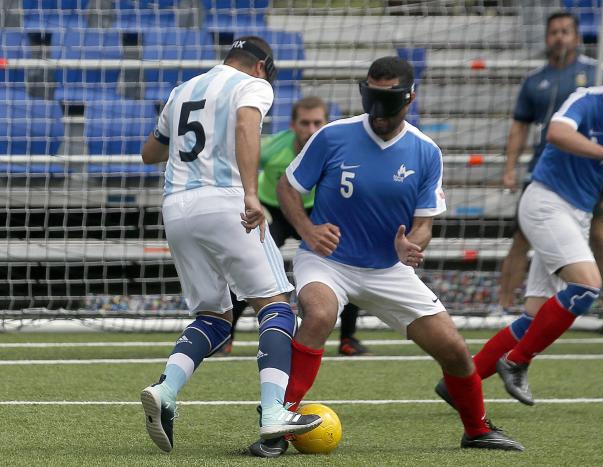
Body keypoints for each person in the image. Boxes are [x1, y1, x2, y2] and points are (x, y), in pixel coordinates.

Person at [249, 56, 524, 458]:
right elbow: (287, 187)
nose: (378, 112)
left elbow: (425, 224)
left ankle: (477, 429)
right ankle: (277, 424)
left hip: (387, 268)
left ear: (410, 97)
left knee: (454, 349)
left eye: (388, 100)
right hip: (327, 261)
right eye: (371, 98)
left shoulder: (426, 152)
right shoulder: (331, 136)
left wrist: (412, 245)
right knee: (321, 314)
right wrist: (308, 230)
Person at [138, 36, 322, 453]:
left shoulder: (181, 91)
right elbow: (244, 124)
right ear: (261, 67)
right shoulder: (253, 85)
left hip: (176, 208)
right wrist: (252, 194)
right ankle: (275, 412)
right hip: (224, 202)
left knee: (215, 316)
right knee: (275, 305)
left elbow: (149, 153)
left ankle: (166, 389)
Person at [484, 42, 603, 406]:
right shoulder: (586, 100)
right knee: (586, 286)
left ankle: (462, 381)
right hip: (546, 201)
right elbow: (556, 133)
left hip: (579, 213)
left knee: (535, 314)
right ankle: (516, 362)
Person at [495, 12, 603, 329]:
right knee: (521, 238)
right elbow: (520, 127)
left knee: (600, 238)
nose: (560, 37)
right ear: (546, 37)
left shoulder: (597, 73)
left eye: (566, 31)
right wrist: (510, 168)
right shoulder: (534, 80)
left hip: (587, 174)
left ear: (577, 36)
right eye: (554, 31)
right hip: (543, 174)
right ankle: (502, 307)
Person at [220, 96, 372, 357]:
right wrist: (251, 199)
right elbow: (239, 168)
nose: (311, 130)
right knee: (250, 264)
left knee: (350, 261)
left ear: (326, 123)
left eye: (317, 123)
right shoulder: (271, 148)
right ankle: (225, 336)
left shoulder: (339, 150)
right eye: (305, 123)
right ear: (292, 125)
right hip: (275, 210)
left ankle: (348, 338)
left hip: (317, 212)